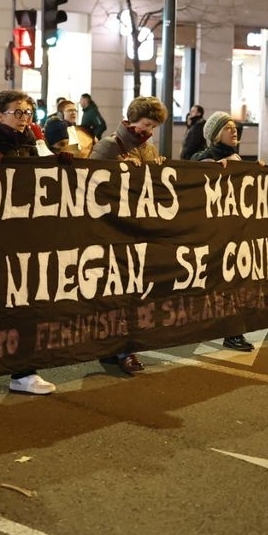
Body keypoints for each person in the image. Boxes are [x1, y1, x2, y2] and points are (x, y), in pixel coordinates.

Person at [0, 90, 67, 395]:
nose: (25, 118)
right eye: (18, 112)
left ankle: (24, 371)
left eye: (28, 112)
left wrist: (60, 163)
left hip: (26, 237)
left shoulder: (32, 143)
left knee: (25, 303)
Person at [89, 96, 168, 373]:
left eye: (153, 126)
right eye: (146, 124)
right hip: (112, 231)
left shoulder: (149, 149)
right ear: (131, 120)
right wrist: (117, 170)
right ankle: (120, 348)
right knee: (118, 292)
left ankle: (122, 348)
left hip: (139, 230)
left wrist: (158, 168)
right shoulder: (108, 146)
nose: (149, 131)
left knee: (136, 291)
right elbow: (87, 183)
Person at [189, 110, 257, 353]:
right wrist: (209, 168)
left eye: (234, 127)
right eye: (227, 128)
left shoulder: (235, 157)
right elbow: (192, 174)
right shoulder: (205, 158)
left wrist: (255, 171)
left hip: (234, 232)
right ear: (216, 134)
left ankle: (232, 331)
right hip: (214, 234)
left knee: (233, 282)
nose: (233, 130)